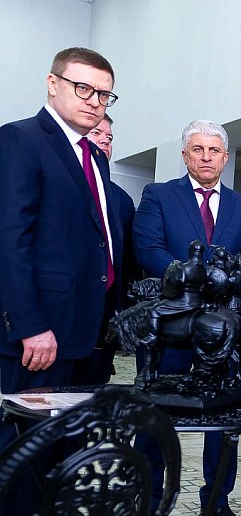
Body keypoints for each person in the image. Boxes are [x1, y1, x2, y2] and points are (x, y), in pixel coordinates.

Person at [134, 119, 241, 516]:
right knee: (156, 414)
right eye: (198, 149)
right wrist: (198, 281)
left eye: (214, 151)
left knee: (225, 420)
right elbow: (148, 248)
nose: (206, 157)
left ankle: (217, 503)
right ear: (185, 155)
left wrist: (227, 287)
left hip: (221, 329)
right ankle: (149, 504)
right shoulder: (159, 195)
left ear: (225, 158)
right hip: (172, 324)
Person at [0, 47, 130, 424]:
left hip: (90, 335)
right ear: (53, 84)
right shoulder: (20, 139)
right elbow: (10, 241)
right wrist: (31, 326)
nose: (94, 101)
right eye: (83, 88)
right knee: (29, 446)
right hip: (42, 335)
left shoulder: (95, 157)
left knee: (72, 445)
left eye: (104, 94)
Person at [86, 112, 142, 383]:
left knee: (93, 396)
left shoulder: (122, 200)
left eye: (109, 138)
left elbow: (128, 263)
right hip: (57, 322)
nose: (105, 142)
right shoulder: (56, 184)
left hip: (104, 322)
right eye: (96, 134)